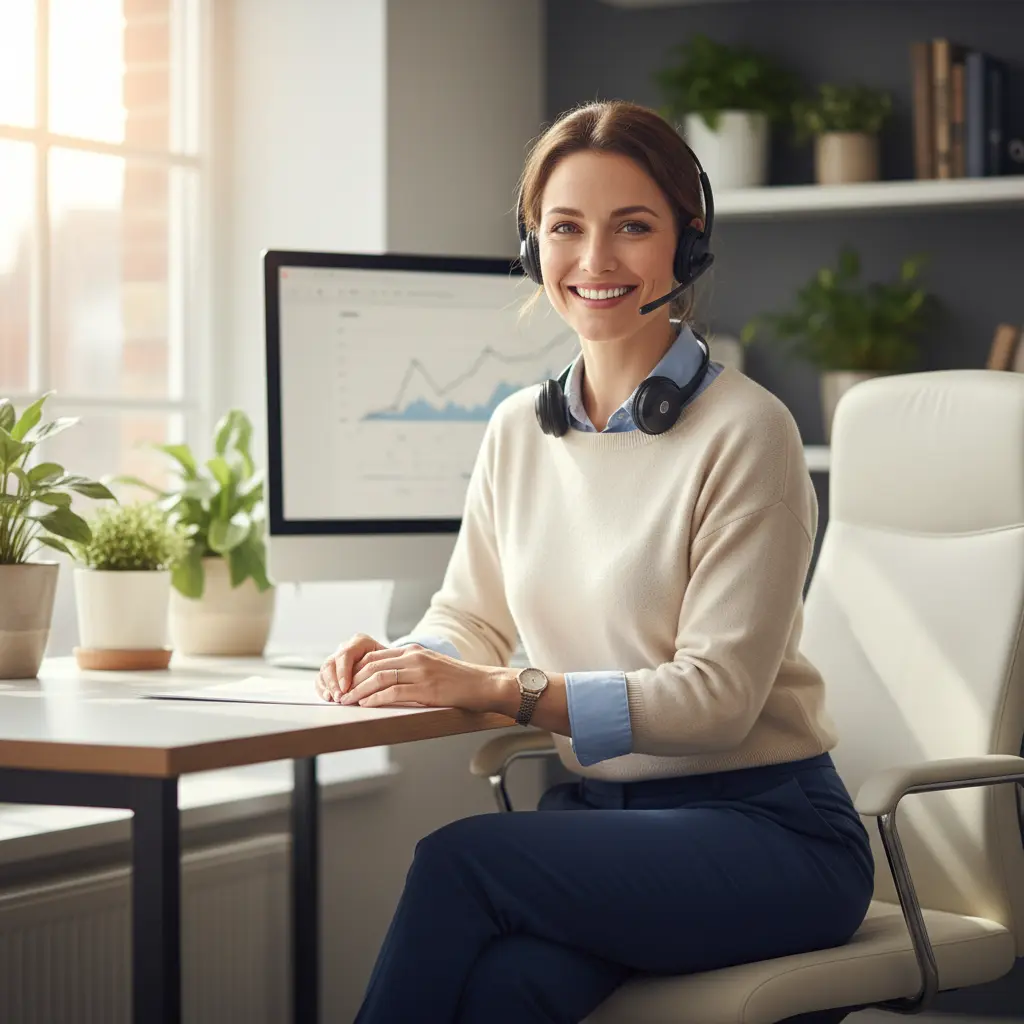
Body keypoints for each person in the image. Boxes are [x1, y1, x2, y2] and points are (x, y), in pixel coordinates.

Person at [317, 99, 874, 1024]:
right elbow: (473, 614)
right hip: (605, 832)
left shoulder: (748, 432)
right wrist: (404, 660)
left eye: (633, 228)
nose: (596, 261)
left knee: (459, 861)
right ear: (535, 247)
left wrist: (504, 691)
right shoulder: (515, 431)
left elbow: (716, 699)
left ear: (685, 247)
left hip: (772, 834)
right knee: (506, 993)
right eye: (565, 229)